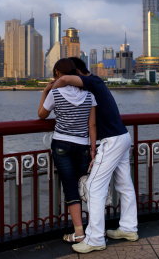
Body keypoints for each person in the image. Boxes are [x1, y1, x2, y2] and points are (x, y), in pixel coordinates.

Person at [53, 57, 138, 254]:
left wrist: (52, 85)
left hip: (112, 141)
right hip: (123, 137)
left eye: (73, 73)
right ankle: (128, 228)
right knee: (124, 184)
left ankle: (95, 238)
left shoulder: (93, 81)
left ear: (77, 71)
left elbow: (65, 80)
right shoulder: (96, 85)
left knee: (93, 186)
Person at [38, 58, 97, 243]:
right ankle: (96, 228)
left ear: (57, 73)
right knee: (87, 185)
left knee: (71, 187)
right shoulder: (89, 95)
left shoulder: (55, 94)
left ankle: (79, 233)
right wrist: (93, 150)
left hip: (62, 144)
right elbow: (92, 125)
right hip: (83, 146)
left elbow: (41, 114)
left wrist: (46, 90)